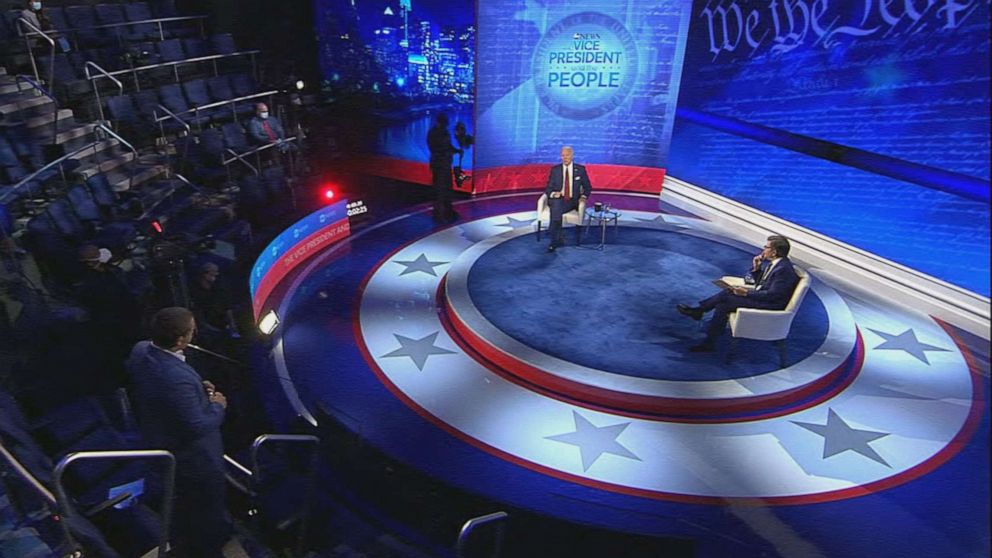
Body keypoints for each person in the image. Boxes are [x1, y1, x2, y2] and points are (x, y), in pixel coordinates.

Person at [126, 307, 232, 557]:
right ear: (181, 340)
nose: (195, 333)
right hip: (195, 457)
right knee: (207, 508)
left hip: (161, 433)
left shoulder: (141, 350)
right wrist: (217, 406)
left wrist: (195, 389)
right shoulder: (175, 377)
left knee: (189, 506)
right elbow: (197, 425)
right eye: (192, 330)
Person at [676, 235, 800, 352]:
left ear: (774, 252)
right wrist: (756, 268)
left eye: (766, 247)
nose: (763, 249)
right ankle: (708, 338)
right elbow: (760, 285)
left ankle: (700, 314)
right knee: (724, 302)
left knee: (726, 297)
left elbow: (773, 295)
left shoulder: (783, 269)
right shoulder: (775, 264)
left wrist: (746, 293)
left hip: (771, 305)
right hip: (765, 298)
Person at [544, 145, 591, 252]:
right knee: (556, 205)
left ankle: (555, 236)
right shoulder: (555, 170)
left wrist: (583, 196)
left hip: (572, 201)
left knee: (555, 209)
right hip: (558, 199)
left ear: (572, 155)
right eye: (563, 155)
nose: (565, 158)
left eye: (567, 155)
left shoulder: (580, 169)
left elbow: (588, 187)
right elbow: (548, 188)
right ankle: (555, 240)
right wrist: (553, 194)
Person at [427, 113, 461, 222]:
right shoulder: (434, 132)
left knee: (447, 188)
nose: (447, 123)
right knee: (439, 190)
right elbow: (436, 148)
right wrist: (447, 152)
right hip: (439, 165)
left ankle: (448, 212)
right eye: (446, 121)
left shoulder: (444, 132)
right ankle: (438, 214)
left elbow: (448, 145)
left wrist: (456, 150)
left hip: (446, 165)